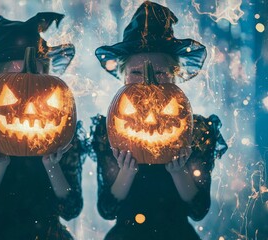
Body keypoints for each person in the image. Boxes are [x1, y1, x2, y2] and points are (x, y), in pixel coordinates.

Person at [91, 1, 228, 239]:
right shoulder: (108, 131)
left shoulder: (198, 131)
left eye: (160, 73)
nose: (148, 82)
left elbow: (198, 209)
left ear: (175, 75)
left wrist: (179, 172)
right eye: (136, 73)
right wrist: (126, 171)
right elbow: (108, 209)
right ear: (123, 75)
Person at [0, 13, 84, 240]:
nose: (28, 90)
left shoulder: (61, 132)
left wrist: (52, 166)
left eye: (35, 70)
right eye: (16, 74)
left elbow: (71, 209)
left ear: (46, 74)